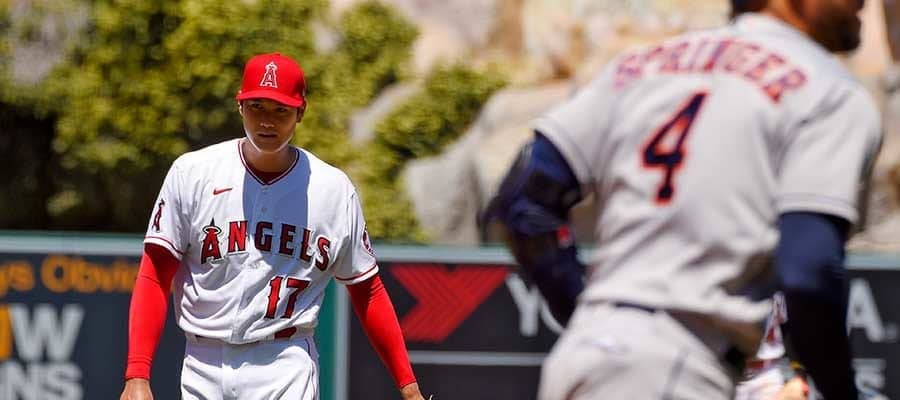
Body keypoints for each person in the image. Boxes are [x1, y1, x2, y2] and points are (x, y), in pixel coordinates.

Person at [482, 0, 882, 398]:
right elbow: (809, 271)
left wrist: (588, 319)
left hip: (585, 359)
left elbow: (524, 201)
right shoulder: (829, 91)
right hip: (676, 365)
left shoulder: (643, 64)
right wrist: (839, 391)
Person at [119, 52, 425, 400]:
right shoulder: (193, 173)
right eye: (256, 107)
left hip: (283, 363)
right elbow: (155, 274)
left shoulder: (332, 189)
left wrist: (409, 387)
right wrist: (137, 374)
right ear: (240, 107)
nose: (267, 121)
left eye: (281, 110)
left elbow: (367, 289)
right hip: (202, 361)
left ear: (300, 112)